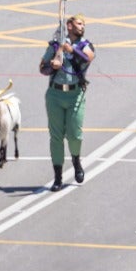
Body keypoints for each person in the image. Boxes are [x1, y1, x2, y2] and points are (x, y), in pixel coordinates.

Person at [39, 12, 94, 191]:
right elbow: (42, 68)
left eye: (83, 24)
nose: (82, 26)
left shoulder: (85, 45)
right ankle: (57, 177)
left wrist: (72, 50)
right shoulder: (56, 45)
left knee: (75, 134)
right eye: (79, 23)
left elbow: (88, 58)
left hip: (75, 94)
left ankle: (76, 161)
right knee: (56, 137)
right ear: (69, 26)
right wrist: (52, 65)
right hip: (55, 95)